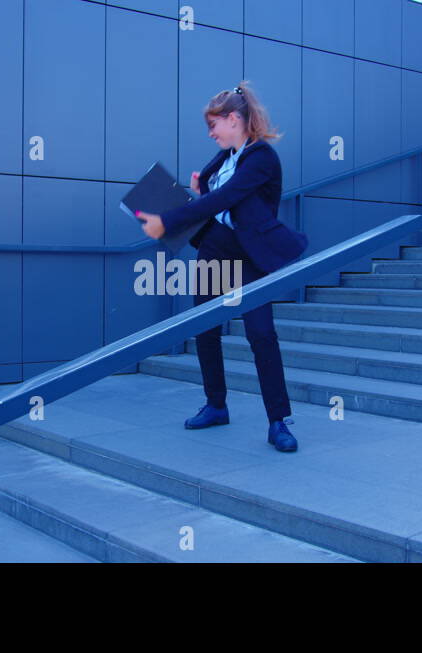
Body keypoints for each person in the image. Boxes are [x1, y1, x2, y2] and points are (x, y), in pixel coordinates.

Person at [137, 81, 308, 452]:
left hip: (248, 256)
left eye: (213, 125)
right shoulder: (225, 157)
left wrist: (165, 221)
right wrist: (199, 190)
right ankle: (216, 405)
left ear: (234, 119)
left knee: (261, 334)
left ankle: (279, 420)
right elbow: (211, 197)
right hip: (216, 248)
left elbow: (226, 199)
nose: (211, 134)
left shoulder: (261, 158)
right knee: (205, 329)